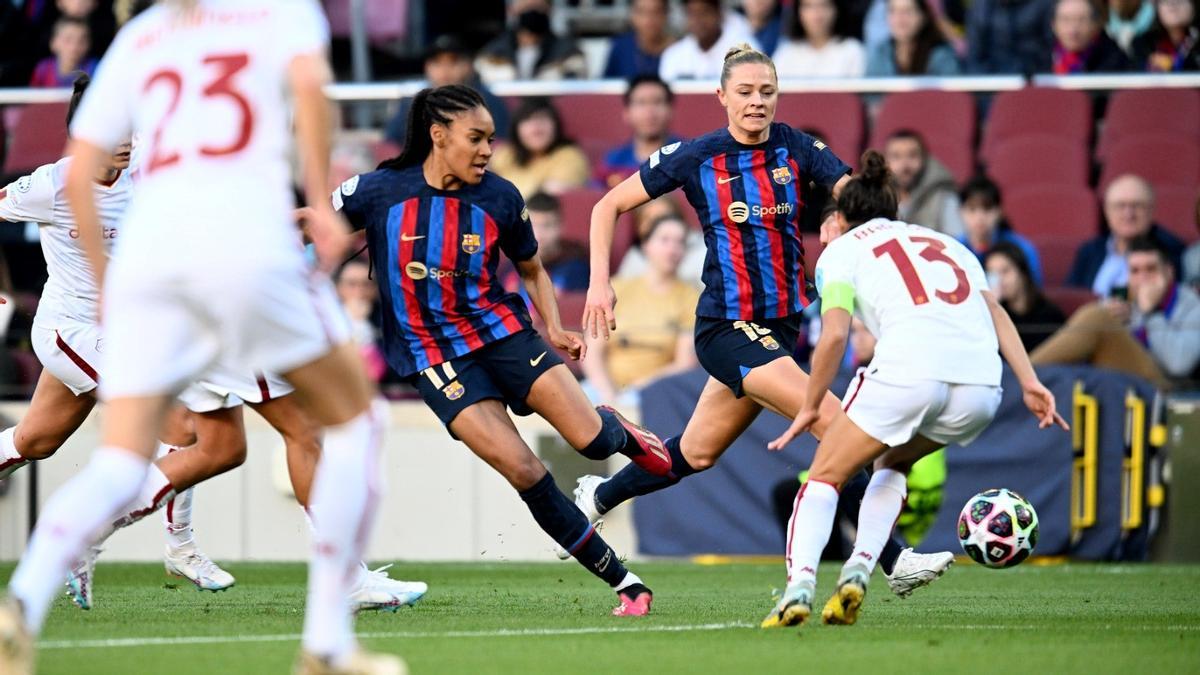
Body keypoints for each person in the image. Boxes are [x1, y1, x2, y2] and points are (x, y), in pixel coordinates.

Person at [0, 3, 403, 674]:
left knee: (123, 458)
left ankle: (22, 603)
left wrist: (115, 293)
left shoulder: (141, 35)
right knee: (356, 421)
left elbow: (76, 173)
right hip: (239, 246)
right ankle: (328, 642)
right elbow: (310, 93)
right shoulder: (279, 15)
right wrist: (324, 196)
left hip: (156, 265)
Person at [580, 44, 954, 600]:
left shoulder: (796, 148)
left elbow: (855, 194)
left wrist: (838, 216)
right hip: (726, 326)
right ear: (722, 97)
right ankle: (892, 560)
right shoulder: (695, 156)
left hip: (780, 327)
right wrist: (598, 282)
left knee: (696, 452)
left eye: (767, 92)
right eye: (746, 92)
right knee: (837, 425)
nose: (757, 102)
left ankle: (599, 496)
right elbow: (605, 206)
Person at [334, 84, 674, 618]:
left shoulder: (500, 196)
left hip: (503, 336)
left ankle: (618, 429)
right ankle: (626, 583)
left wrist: (555, 327)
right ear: (438, 135)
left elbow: (532, 269)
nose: (489, 150)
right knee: (525, 471)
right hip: (436, 359)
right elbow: (317, 226)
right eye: (478, 138)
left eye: (492, 138)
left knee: (589, 441)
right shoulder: (377, 191)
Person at [760, 150, 1066, 629]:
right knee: (892, 461)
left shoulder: (840, 250)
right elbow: (995, 312)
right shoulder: (950, 244)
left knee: (823, 478)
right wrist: (1030, 382)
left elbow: (835, 334)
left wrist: (811, 403)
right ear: (895, 212)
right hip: (981, 389)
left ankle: (798, 588)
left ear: (839, 218)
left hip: (909, 373)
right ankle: (859, 572)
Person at [1034, 236, 1200, 386]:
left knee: (1096, 317)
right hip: (1121, 385)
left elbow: (1179, 365)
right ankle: (1025, 378)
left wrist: (1152, 313)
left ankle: (1020, 376)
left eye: (1151, 269)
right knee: (1096, 317)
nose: (1142, 279)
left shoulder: (1191, 305)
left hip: (1167, 390)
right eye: (1135, 271)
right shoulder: (1125, 301)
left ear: (1169, 272)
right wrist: (1115, 322)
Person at [581, 215, 701, 405]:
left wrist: (639, 387)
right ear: (646, 245)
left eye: (680, 242)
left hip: (657, 390)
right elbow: (592, 352)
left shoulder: (691, 298)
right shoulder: (616, 289)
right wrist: (608, 393)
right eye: (665, 240)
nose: (673, 249)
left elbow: (684, 363)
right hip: (603, 386)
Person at [1067, 174, 1185, 297]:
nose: (1128, 214)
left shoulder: (1170, 251)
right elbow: (1072, 296)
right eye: (1120, 206)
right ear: (1106, 211)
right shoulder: (1089, 250)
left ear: (1152, 210)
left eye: (1137, 206)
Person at [383, 35, 510, 146]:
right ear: (427, 67)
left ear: (468, 65)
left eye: (453, 61)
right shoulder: (412, 104)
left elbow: (501, 147)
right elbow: (391, 144)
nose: (445, 69)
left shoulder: (487, 102)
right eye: (437, 62)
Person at [490, 97, 590, 198]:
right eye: (527, 120)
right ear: (516, 128)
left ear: (556, 125)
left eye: (542, 118)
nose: (535, 127)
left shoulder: (570, 157)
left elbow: (546, 198)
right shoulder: (508, 153)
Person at [597, 75, 682, 189]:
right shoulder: (613, 161)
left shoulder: (686, 155)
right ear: (627, 113)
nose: (650, 112)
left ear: (671, 110)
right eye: (641, 103)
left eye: (657, 102)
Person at [957, 175, 1044, 285]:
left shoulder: (1022, 249)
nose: (979, 217)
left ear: (1000, 212)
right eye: (972, 209)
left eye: (987, 208)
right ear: (960, 212)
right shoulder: (953, 249)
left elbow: (1032, 293)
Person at [475, 0, 587, 83]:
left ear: (550, 10)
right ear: (512, 10)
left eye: (538, 7)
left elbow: (574, 92)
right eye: (526, 7)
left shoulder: (569, 53)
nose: (532, 12)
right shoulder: (491, 54)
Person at [984, 243, 1066, 351]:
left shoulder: (1049, 314)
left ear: (1022, 273)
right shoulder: (990, 316)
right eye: (993, 275)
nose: (1000, 281)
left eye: (1005, 271)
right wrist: (993, 309)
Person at [883, 130, 964, 237]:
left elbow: (957, 243)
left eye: (912, 156)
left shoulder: (943, 197)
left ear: (925, 159)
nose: (904, 165)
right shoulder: (875, 198)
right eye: (896, 157)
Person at [659, 0, 761, 80]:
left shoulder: (745, 50)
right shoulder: (673, 55)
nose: (698, 20)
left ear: (719, 14)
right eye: (692, 13)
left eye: (704, 12)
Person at [773, 0, 868, 78]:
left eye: (824, 5)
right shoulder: (787, 52)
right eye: (808, 6)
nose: (816, 14)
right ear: (798, 11)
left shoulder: (852, 50)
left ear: (837, 9)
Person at [865, 0, 961, 76]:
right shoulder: (881, 52)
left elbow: (951, 96)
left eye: (907, 11)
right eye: (893, 11)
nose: (900, 19)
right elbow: (870, 96)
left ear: (923, 16)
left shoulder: (941, 55)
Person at [965, 0, 1057, 74]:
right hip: (990, 83)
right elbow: (974, 57)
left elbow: (1049, 47)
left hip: (1034, 80)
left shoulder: (1043, 4)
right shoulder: (981, 7)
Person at [336, 257, 388, 382]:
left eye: (366, 285)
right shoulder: (328, 320)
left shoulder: (388, 321)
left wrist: (361, 324)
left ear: (376, 289)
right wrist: (355, 322)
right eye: (351, 284)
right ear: (338, 288)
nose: (359, 291)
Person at [1048, 0, 1134, 72]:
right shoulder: (1039, 60)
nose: (1073, 30)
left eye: (1081, 20)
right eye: (1065, 20)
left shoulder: (1117, 62)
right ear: (1053, 25)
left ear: (1095, 25)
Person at [604, 0, 674, 79]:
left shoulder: (678, 49)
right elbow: (606, 85)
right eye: (642, 12)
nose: (649, 20)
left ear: (666, 14)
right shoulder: (620, 47)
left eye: (656, 12)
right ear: (632, 15)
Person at [1132, 0, 1200, 71]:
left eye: (1180, 0)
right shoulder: (1143, 44)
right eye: (1166, 1)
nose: (1173, 6)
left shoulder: (1196, 41)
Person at [29, 17, 95, 87]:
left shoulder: (95, 69)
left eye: (81, 41)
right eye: (67, 40)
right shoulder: (43, 69)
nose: (74, 47)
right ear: (53, 43)